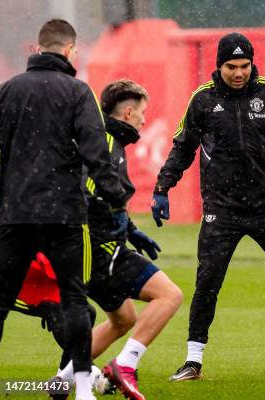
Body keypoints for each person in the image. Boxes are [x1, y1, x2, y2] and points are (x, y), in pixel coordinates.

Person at [151, 32, 265, 382]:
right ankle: (193, 362)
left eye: (244, 66)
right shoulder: (202, 100)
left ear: (252, 64)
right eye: (231, 66)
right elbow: (183, 148)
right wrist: (162, 188)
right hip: (221, 210)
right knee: (207, 284)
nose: (239, 73)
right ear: (219, 66)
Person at [0, 19, 127, 400]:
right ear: (71, 51)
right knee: (73, 300)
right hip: (65, 214)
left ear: (37, 50)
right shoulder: (77, 91)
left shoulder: (6, 91)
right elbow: (95, 151)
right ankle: (83, 389)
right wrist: (115, 194)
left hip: (16, 214)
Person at [51, 80, 183, 400]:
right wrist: (115, 224)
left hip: (95, 246)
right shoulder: (106, 141)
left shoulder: (109, 140)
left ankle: (61, 381)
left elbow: (104, 194)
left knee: (123, 319)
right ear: (127, 112)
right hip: (99, 248)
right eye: (141, 112)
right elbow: (86, 192)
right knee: (169, 296)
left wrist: (129, 227)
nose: (144, 119)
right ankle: (125, 365)